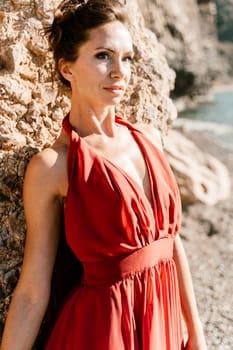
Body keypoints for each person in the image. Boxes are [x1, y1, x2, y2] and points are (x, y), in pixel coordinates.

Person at [0, 0, 208, 349]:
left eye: (127, 58)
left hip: (162, 323)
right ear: (67, 69)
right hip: (102, 332)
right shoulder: (54, 166)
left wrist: (197, 334)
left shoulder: (149, 139)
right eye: (102, 56)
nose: (119, 71)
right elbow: (33, 291)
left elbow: (171, 242)